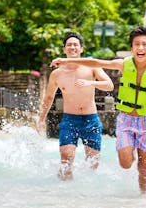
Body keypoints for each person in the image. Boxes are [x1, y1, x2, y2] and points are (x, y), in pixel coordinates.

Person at [50, 26, 146, 192]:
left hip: (145, 122)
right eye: (137, 44)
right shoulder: (123, 65)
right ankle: (134, 152)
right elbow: (97, 62)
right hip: (125, 120)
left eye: (145, 44)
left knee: (144, 167)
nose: (140, 48)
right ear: (131, 48)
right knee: (126, 163)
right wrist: (66, 61)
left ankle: (145, 199)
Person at [37, 32, 114, 180]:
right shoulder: (57, 74)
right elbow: (48, 97)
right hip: (69, 120)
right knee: (66, 159)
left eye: (75, 45)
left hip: (90, 119)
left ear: (81, 49)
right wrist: (41, 119)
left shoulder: (92, 68)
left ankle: (86, 196)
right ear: (64, 49)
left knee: (93, 163)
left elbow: (109, 85)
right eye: (69, 45)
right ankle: (65, 193)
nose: (72, 47)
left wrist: (90, 83)